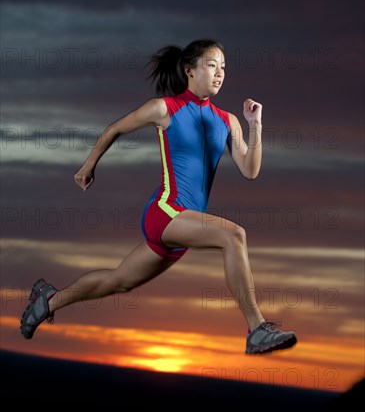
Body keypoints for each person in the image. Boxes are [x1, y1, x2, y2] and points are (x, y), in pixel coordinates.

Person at [20, 39, 297, 355]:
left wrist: (255, 125)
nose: (220, 73)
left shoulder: (228, 121)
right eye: (211, 65)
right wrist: (88, 165)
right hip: (167, 212)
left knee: (118, 281)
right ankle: (257, 328)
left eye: (223, 67)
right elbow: (114, 129)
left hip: (185, 227)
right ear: (189, 70)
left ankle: (48, 299)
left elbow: (250, 170)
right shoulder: (165, 108)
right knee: (233, 235)